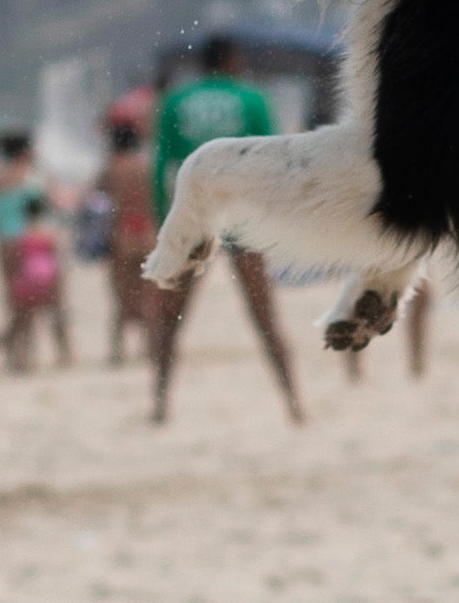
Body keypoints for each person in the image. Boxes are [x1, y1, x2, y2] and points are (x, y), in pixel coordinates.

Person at [149, 35, 304, 426]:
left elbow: (161, 164)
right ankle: (293, 403)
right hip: (241, 217)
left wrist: (163, 222)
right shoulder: (252, 99)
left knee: (171, 319)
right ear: (232, 60)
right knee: (265, 317)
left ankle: (160, 405)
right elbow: (272, 161)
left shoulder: (175, 100)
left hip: (194, 215)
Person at [0, 126, 68, 370]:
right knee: (53, 299)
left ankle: (17, 356)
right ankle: (64, 351)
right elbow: (51, 206)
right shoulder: (33, 178)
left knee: (16, 302)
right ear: (25, 151)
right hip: (33, 243)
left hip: (5, 244)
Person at [97, 96, 162, 359]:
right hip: (148, 234)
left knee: (122, 298)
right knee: (149, 296)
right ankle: (150, 348)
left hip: (122, 235)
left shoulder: (111, 169)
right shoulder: (147, 168)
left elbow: (96, 203)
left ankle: (118, 350)